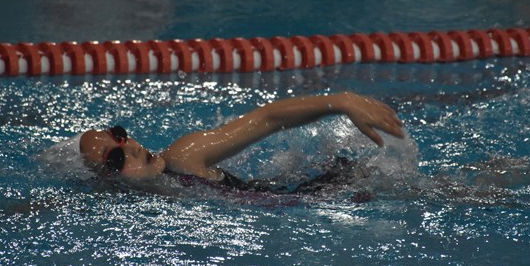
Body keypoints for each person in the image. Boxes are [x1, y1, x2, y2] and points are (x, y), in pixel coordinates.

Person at [78, 92, 404, 192]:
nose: (132, 147)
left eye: (120, 136)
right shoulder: (120, 199)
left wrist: (342, 102)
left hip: (320, 195)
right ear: (107, 178)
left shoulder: (183, 157)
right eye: (116, 158)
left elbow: (269, 119)